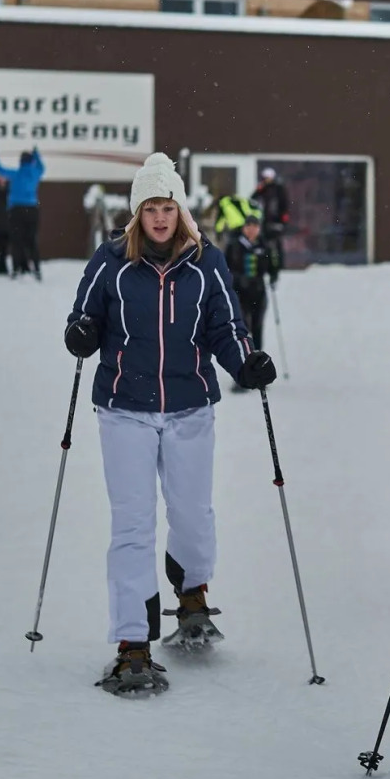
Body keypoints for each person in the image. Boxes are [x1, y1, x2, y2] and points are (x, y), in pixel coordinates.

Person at [64, 152, 277, 697]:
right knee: (132, 523)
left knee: (192, 512)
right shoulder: (111, 262)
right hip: (123, 407)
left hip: (189, 406)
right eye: (151, 208)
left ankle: (192, 595)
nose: (160, 217)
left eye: (168, 206)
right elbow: (82, 315)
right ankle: (133, 642)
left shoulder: (206, 264)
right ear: (137, 214)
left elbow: (227, 326)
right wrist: (82, 333)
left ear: (180, 210)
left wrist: (245, 362)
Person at [224, 210, 279, 370]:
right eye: (248, 226)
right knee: (242, 331)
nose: (251, 230)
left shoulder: (264, 245)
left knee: (257, 330)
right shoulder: (234, 245)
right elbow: (224, 266)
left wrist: (274, 274)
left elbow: (273, 264)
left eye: (255, 226)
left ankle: (258, 368)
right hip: (239, 293)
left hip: (258, 292)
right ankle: (242, 369)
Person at [0, 146, 44, 279]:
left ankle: (16, 269)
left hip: (16, 210)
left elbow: (0, 169)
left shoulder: (16, 174)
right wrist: (37, 154)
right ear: (31, 162)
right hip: (32, 210)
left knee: (16, 240)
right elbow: (42, 167)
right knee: (32, 241)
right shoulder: (35, 173)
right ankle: (36, 269)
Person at [249, 166, 291, 256]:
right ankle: (267, 259)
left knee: (276, 241)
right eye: (265, 178)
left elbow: (284, 203)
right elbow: (253, 199)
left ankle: (277, 260)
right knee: (265, 240)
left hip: (277, 219)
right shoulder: (263, 189)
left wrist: (284, 216)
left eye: (268, 178)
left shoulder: (278, 189)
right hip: (265, 219)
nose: (266, 180)